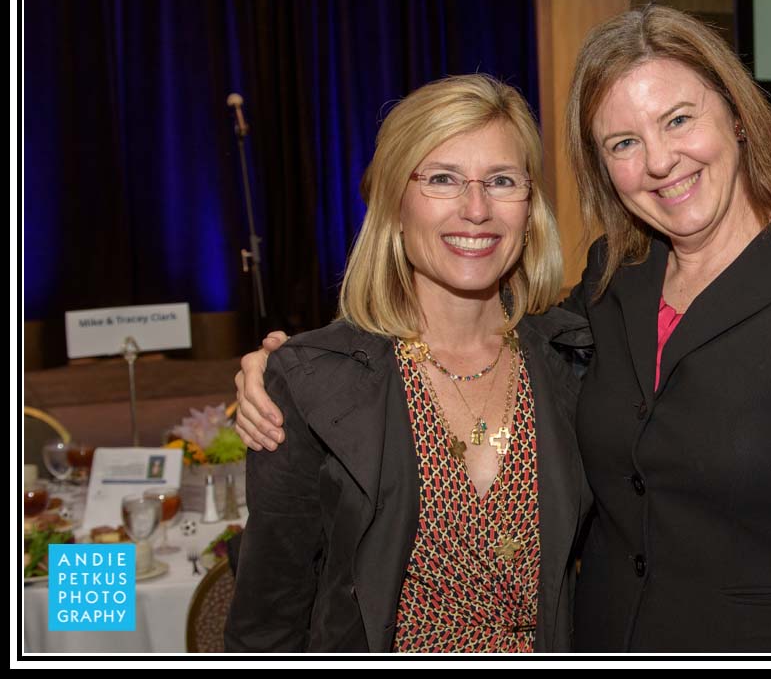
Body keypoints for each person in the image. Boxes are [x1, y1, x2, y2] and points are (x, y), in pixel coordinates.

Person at [235, 4, 771, 652]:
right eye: (621, 142)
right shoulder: (614, 287)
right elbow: (270, 613)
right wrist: (284, 364)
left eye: (678, 119)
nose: (658, 160)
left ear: (738, 116)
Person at [224, 75, 592, 652]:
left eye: (501, 180)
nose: (476, 209)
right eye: (443, 179)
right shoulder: (314, 384)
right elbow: (269, 619)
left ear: (529, 206)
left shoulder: (575, 360)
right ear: (396, 203)